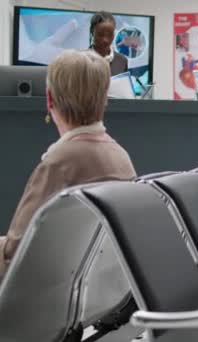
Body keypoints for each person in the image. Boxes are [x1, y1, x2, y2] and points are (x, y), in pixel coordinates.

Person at [0, 50, 136, 278]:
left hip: (42, 296)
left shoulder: (59, 163)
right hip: (100, 293)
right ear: (105, 99)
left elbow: (16, 253)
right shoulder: (119, 155)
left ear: (49, 99)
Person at [90, 11, 129, 76]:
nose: (105, 40)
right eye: (100, 34)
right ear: (92, 32)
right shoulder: (81, 60)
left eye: (110, 34)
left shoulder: (122, 61)